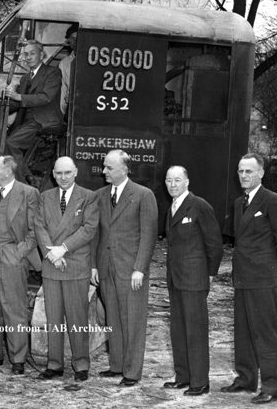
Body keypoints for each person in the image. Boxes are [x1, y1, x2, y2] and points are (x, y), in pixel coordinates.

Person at [220, 153, 277, 404]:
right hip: (242, 278)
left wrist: (274, 268)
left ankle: (271, 387)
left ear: (261, 173)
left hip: (263, 279)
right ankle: (246, 379)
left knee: (265, 334)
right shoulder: (239, 202)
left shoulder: (272, 201)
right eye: (240, 171)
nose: (243, 176)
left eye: (249, 171)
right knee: (243, 332)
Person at [92, 149, 157, 386]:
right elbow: (95, 235)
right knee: (113, 319)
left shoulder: (143, 195)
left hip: (131, 271)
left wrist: (140, 268)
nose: (104, 171)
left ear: (125, 169)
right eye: (104, 166)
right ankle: (117, 365)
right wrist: (93, 267)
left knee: (133, 321)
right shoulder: (99, 195)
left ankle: (131, 372)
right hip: (106, 269)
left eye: (109, 167)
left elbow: (148, 235)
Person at [0, 155, 41, 375]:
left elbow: (34, 231)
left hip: (12, 257)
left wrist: (19, 253)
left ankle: (18, 358)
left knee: (14, 309)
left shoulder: (28, 193)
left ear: (8, 171)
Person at [34, 156, 98, 381]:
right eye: (59, 173)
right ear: (53, 173)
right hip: (52, 265)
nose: (63, 177)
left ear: (76, 172)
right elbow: (39, 227)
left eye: (67, 173)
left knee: (77, 317)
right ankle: (54, 364)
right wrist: (52, 254)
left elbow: (89, 229)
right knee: (53, 318)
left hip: (75, 264)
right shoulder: (45, 197)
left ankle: (81, 365)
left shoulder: (88, 197)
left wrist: (63, 249)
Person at [162, 166, 223, 396]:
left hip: (194, 279)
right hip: (176, 279)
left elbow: (214, 244)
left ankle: (200, 382)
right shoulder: (173, 207)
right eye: (168, 180)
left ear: (187, 181)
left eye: (177, 180)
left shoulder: (199, 205)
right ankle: (183, 377)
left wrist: (209, 274)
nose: (172, 184)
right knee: (178, 330)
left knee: (196, 331)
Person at [4, 39, 64, 182]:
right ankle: (28, 177)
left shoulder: (53, 72)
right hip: (29, 122)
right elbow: (17, 103)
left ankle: (23, 183)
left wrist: (18, 96)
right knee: (5, 141)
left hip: (45, 120)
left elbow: (46, 97)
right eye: (26, 55)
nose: (28, 57)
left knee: (11, 143)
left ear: (42, 55)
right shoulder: (25, 78)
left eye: (32, 53)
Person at [59, 23, 78, 115]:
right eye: (72, 38)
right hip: (70, 110)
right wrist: (61, 114)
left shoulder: (93, 60)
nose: (75, 41)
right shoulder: (65, 63)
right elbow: (63, 90)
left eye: (77, 38)